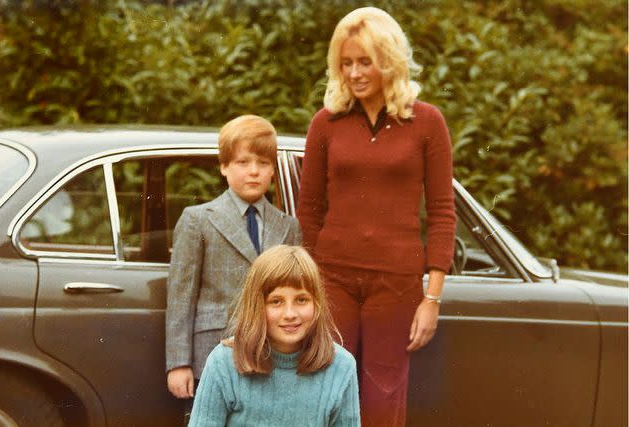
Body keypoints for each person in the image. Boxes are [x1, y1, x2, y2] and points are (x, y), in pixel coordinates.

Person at [297, 7, 456, 427]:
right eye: (345, 63)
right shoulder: (325, 124)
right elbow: (309, 209)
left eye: (364, 61)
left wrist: (432, 299)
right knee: (326, 393)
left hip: (397, 284)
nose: (354, 73)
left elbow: (441, 212)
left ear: (389, 59)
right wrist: (314, 282)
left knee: (383, 399)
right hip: (334, 281)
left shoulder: (427, 123)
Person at [166, 115, 302, 423]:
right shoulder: (198, 219)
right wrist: (178, 363)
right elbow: (180, 298)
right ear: (224, 166)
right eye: (242, 162)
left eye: (263, 163)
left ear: (272, 169)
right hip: (211, 352)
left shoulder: (288, 227)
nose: (253, 171)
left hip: (273, 354)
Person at [188, 245, 361, 427]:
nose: (290, 313)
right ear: (257, 306)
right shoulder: (223, 362)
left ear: (316, 304)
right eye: (276, 301)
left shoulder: (342, 366)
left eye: (301, 300)